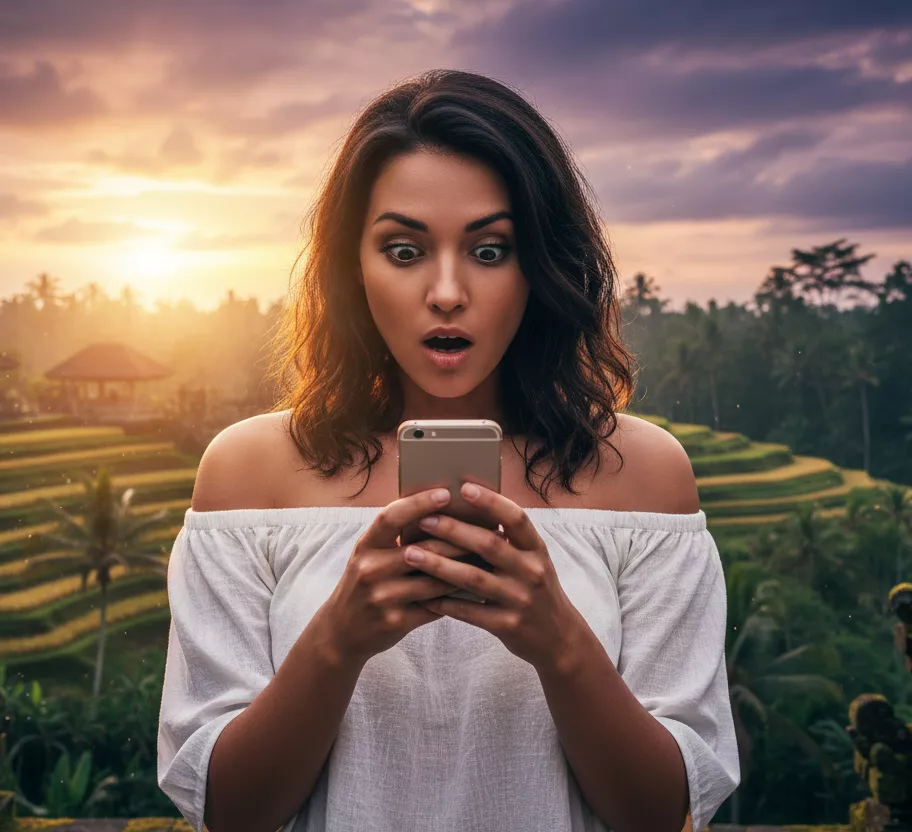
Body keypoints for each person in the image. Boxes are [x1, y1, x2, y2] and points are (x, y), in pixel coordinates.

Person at [157, 68, 740, 832]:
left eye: (490, 251)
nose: (446, 292)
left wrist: (559, 643)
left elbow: (664, 814)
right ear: (351, 266)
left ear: (541, 265)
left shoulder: (643, 475)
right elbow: (227, 812)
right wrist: (337, 640)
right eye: (403, 251)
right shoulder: (249, 473)